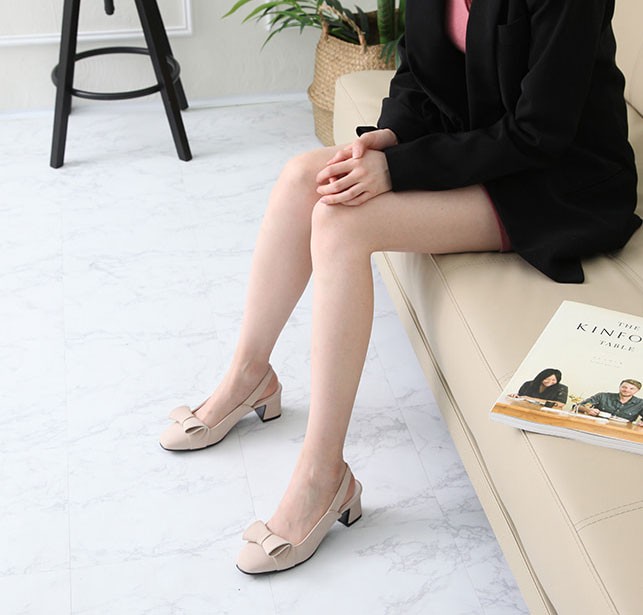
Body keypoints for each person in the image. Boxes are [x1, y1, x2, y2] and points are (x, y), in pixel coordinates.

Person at [159, 0, 641, 574]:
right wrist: (386, 138)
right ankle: (250, 375)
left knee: (340, 224)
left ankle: (323, 475)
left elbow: (540, 133)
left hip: (558, 181)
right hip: (479, 145)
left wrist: (399, 171)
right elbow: (418, 73)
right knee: (301, 179)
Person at [577, 379, 643, 422]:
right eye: (624, 387)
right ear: (620, 387)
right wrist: (587, 410)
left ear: (637, 390)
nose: (626, 390)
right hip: (596, 425)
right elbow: (577, 406)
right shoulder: (602, 396)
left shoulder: (640, 403)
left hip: (622, 431)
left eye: (632, 389)